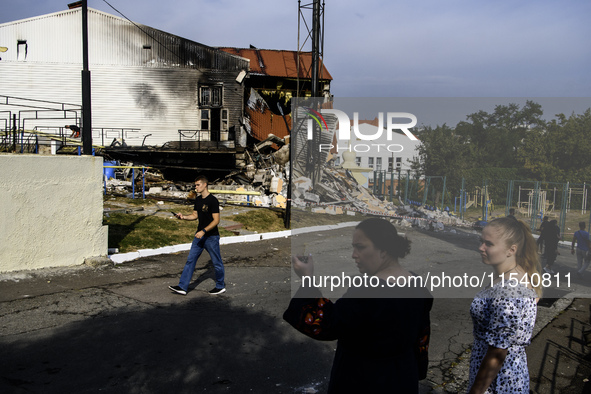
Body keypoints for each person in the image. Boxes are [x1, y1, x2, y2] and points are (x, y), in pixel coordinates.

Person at [283, 218, 433, 393]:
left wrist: (307, 278)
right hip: (402, 378)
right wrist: (416, 370)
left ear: (383, 249)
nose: (354, 254)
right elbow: (422, 338)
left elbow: (326, 325)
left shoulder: (368, 291)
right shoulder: (417, 284)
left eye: (360, 247)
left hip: (365, 380)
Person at [468, 217, 542, 394]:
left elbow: (497, 352)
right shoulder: (519, 272)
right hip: (511, 373)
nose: (481, 248)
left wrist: (475, 392)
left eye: (489, 244)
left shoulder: (508, 290)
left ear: (511, 250)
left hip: (497, 380)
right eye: (481, 241)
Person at [168, 176, 226, 295]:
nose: (196, 187)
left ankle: (220, 286)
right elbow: (195, 215)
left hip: (211, 237)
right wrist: (183, 217)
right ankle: (182, 287)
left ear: (205, 185)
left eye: (198, 185)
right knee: (190, 260)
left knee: (216, 262)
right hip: (199, 236)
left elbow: (216, 220)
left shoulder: (212, 201)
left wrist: (204, 231)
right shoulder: (198, 200)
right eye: (195, 185)